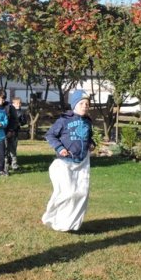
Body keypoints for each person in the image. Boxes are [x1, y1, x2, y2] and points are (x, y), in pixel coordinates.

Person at [42, 90, 96, 232]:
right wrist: (60, 148)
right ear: (75, 105)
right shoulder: (64, 120)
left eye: (87, 104)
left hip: (81, 162)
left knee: (82, 193)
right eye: (81, 103)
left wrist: (91, 144)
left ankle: (70, 223)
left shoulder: (87, 121)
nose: (85, 106)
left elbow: (88, 137)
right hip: (64, 162)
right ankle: (52, 217)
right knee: (68, 193)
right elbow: (50, 135)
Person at [0, 89, 19, 173]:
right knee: (1, 151)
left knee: (11, 150)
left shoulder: (10, 107)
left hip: (9, 131)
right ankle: (1, 167)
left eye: (3, 99)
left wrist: (11, 130)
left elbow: (14, 120)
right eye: (0, 99)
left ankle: (12, 164)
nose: (1, 101)